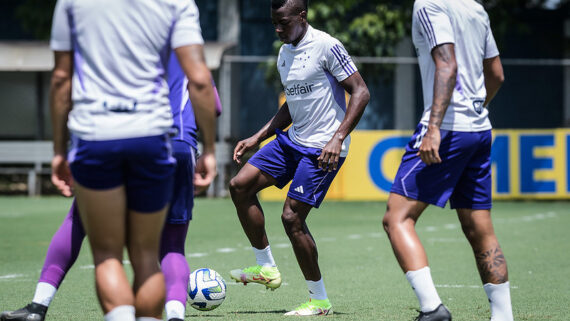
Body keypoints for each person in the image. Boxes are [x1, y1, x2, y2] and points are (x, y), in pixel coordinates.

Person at [0, 52, 221, 321]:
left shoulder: (120, 43)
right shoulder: (184, 48)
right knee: (172, 245)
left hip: (122, 138)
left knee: (78, 221)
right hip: (178, 144)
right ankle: (175, 316)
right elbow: (212, 104)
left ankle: (38, 306)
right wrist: (205, 148)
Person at [48, 1, 217, 321]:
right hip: (152, 137)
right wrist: (208, 148)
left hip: (95, 136)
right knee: (146, 255)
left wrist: (58, 149)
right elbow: (199, 79)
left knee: (108, 256)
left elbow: (60, 79)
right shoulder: (177, 2)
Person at [228, 0, 369, 316]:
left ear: (302, 17)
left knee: (292, 217)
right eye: (274, 23)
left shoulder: (327, 46)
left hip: (322, 147)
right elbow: (292, 105)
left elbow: (360, 92)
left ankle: (319, 301)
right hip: (293, 141)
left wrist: (338, 137)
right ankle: (266, 269)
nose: (278, 29)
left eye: (283, 22)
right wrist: (258, 136)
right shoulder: (283, 54)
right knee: (240, 186)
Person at [382, 0, 513, 320]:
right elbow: (495, 75)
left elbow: (446, 64)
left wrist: (435, 128)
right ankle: (503, 315)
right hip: (479, 130)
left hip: (447, 130)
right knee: (479, 226)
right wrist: (475, 109)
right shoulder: (475, 8)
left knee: (396, 219)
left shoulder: (428, 5)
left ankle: (432, 309)